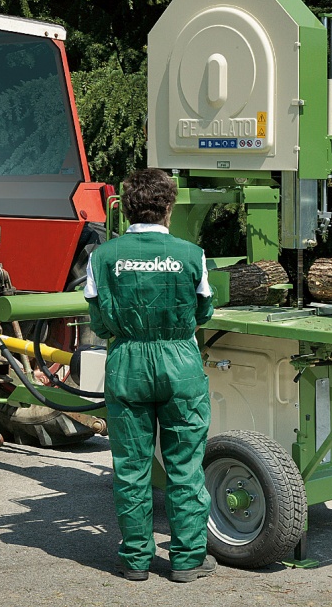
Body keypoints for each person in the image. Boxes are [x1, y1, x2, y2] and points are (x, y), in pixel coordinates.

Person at [83, 168, 215, 583]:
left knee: (131, 467)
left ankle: (136, 559)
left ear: (125, 206)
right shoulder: (192, 254)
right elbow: (204, 311)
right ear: (169, 208)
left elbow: (98, 318)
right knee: (185, 466)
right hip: (181, 363)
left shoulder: (103, 256)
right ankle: (187, 560)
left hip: (126, 364)